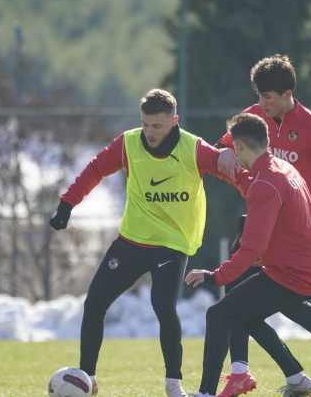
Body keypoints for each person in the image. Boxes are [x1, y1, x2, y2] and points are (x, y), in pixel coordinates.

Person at [49, 89, 234, 397]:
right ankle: (87, 380)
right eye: (146, 124)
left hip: (172, 243)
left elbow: (233, 171)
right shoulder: (128, 143)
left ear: (174, 122)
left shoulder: (194, 149)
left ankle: (173, 384)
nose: (149, 132)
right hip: (133, 240)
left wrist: (230, 151)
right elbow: (96, 169)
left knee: (162, 305)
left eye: (157, 126)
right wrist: (68, 203)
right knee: (94, 304)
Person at [215, 54, 311, 396]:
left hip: (293, 231)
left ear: (287, 94)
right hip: (260, 219)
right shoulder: (252, 117)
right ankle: (273, 372)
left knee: (258, 300)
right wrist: (221, 153)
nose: (261, 105)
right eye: (259, 97)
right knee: (239, 295)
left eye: (268, 98)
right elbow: (225, 149)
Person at [186, 113, 311, 397]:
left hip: (292, 275)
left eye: (232, 147)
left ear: (240, 146)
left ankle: (205, 394)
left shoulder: (264, 184)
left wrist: (215, 276)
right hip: (303, 268)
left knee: (218, 315)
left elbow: (251, 247)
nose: (232, 152)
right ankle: (298, 379)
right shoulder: (282, 168)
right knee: (243, 315)